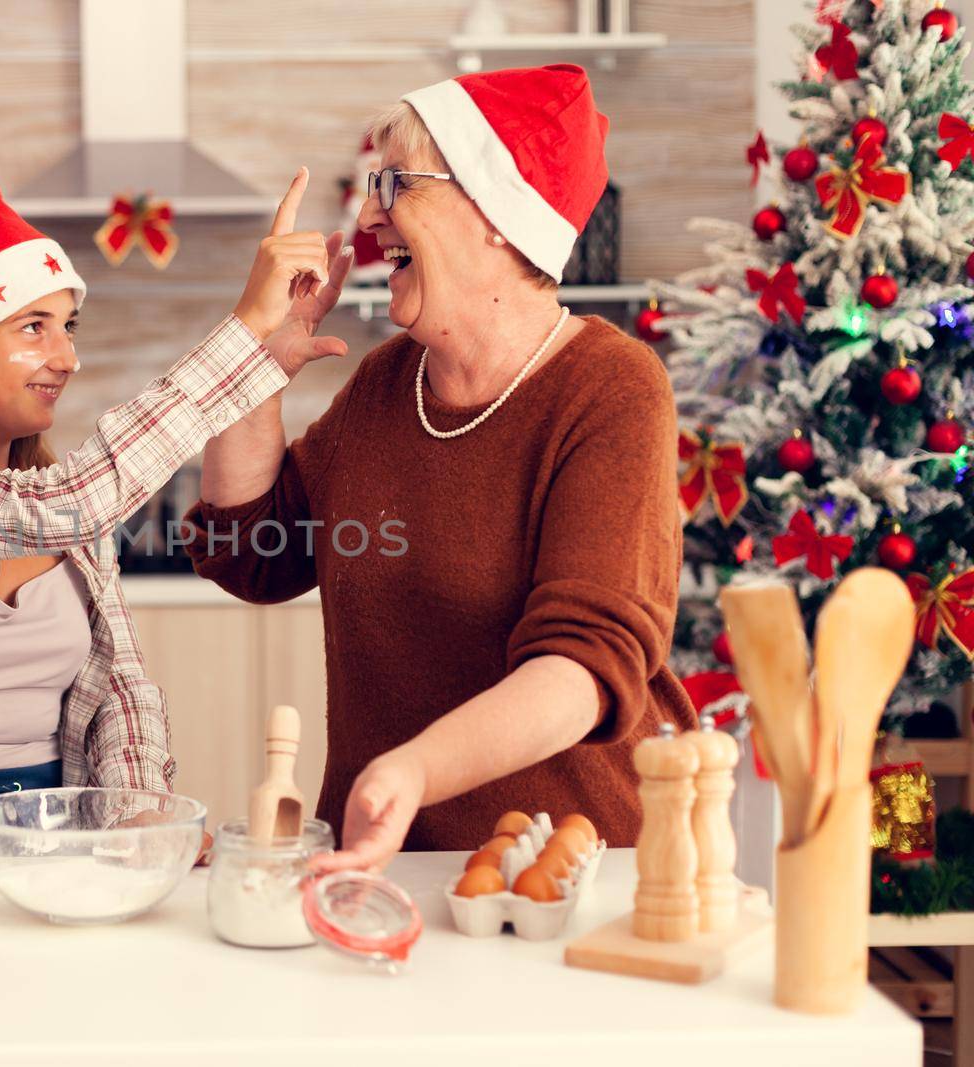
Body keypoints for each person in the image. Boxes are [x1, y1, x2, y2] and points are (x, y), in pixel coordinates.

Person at [186, 65, 696, 871]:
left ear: (496, 214)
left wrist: (416, 766)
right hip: (385, 864)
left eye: (396, 183)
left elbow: (582, 670)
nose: (365, 214)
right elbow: (253, 550)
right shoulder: (389, 384)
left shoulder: (610, 387)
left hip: (565, 868)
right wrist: (254, 365)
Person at [0, 171, 348, 857]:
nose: (68, 357)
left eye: (68, 327)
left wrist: (140, 813)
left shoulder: (53, 494)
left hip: (59, 829)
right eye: (34, 327)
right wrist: (245, 327)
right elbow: (74, 506)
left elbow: (120, 687)